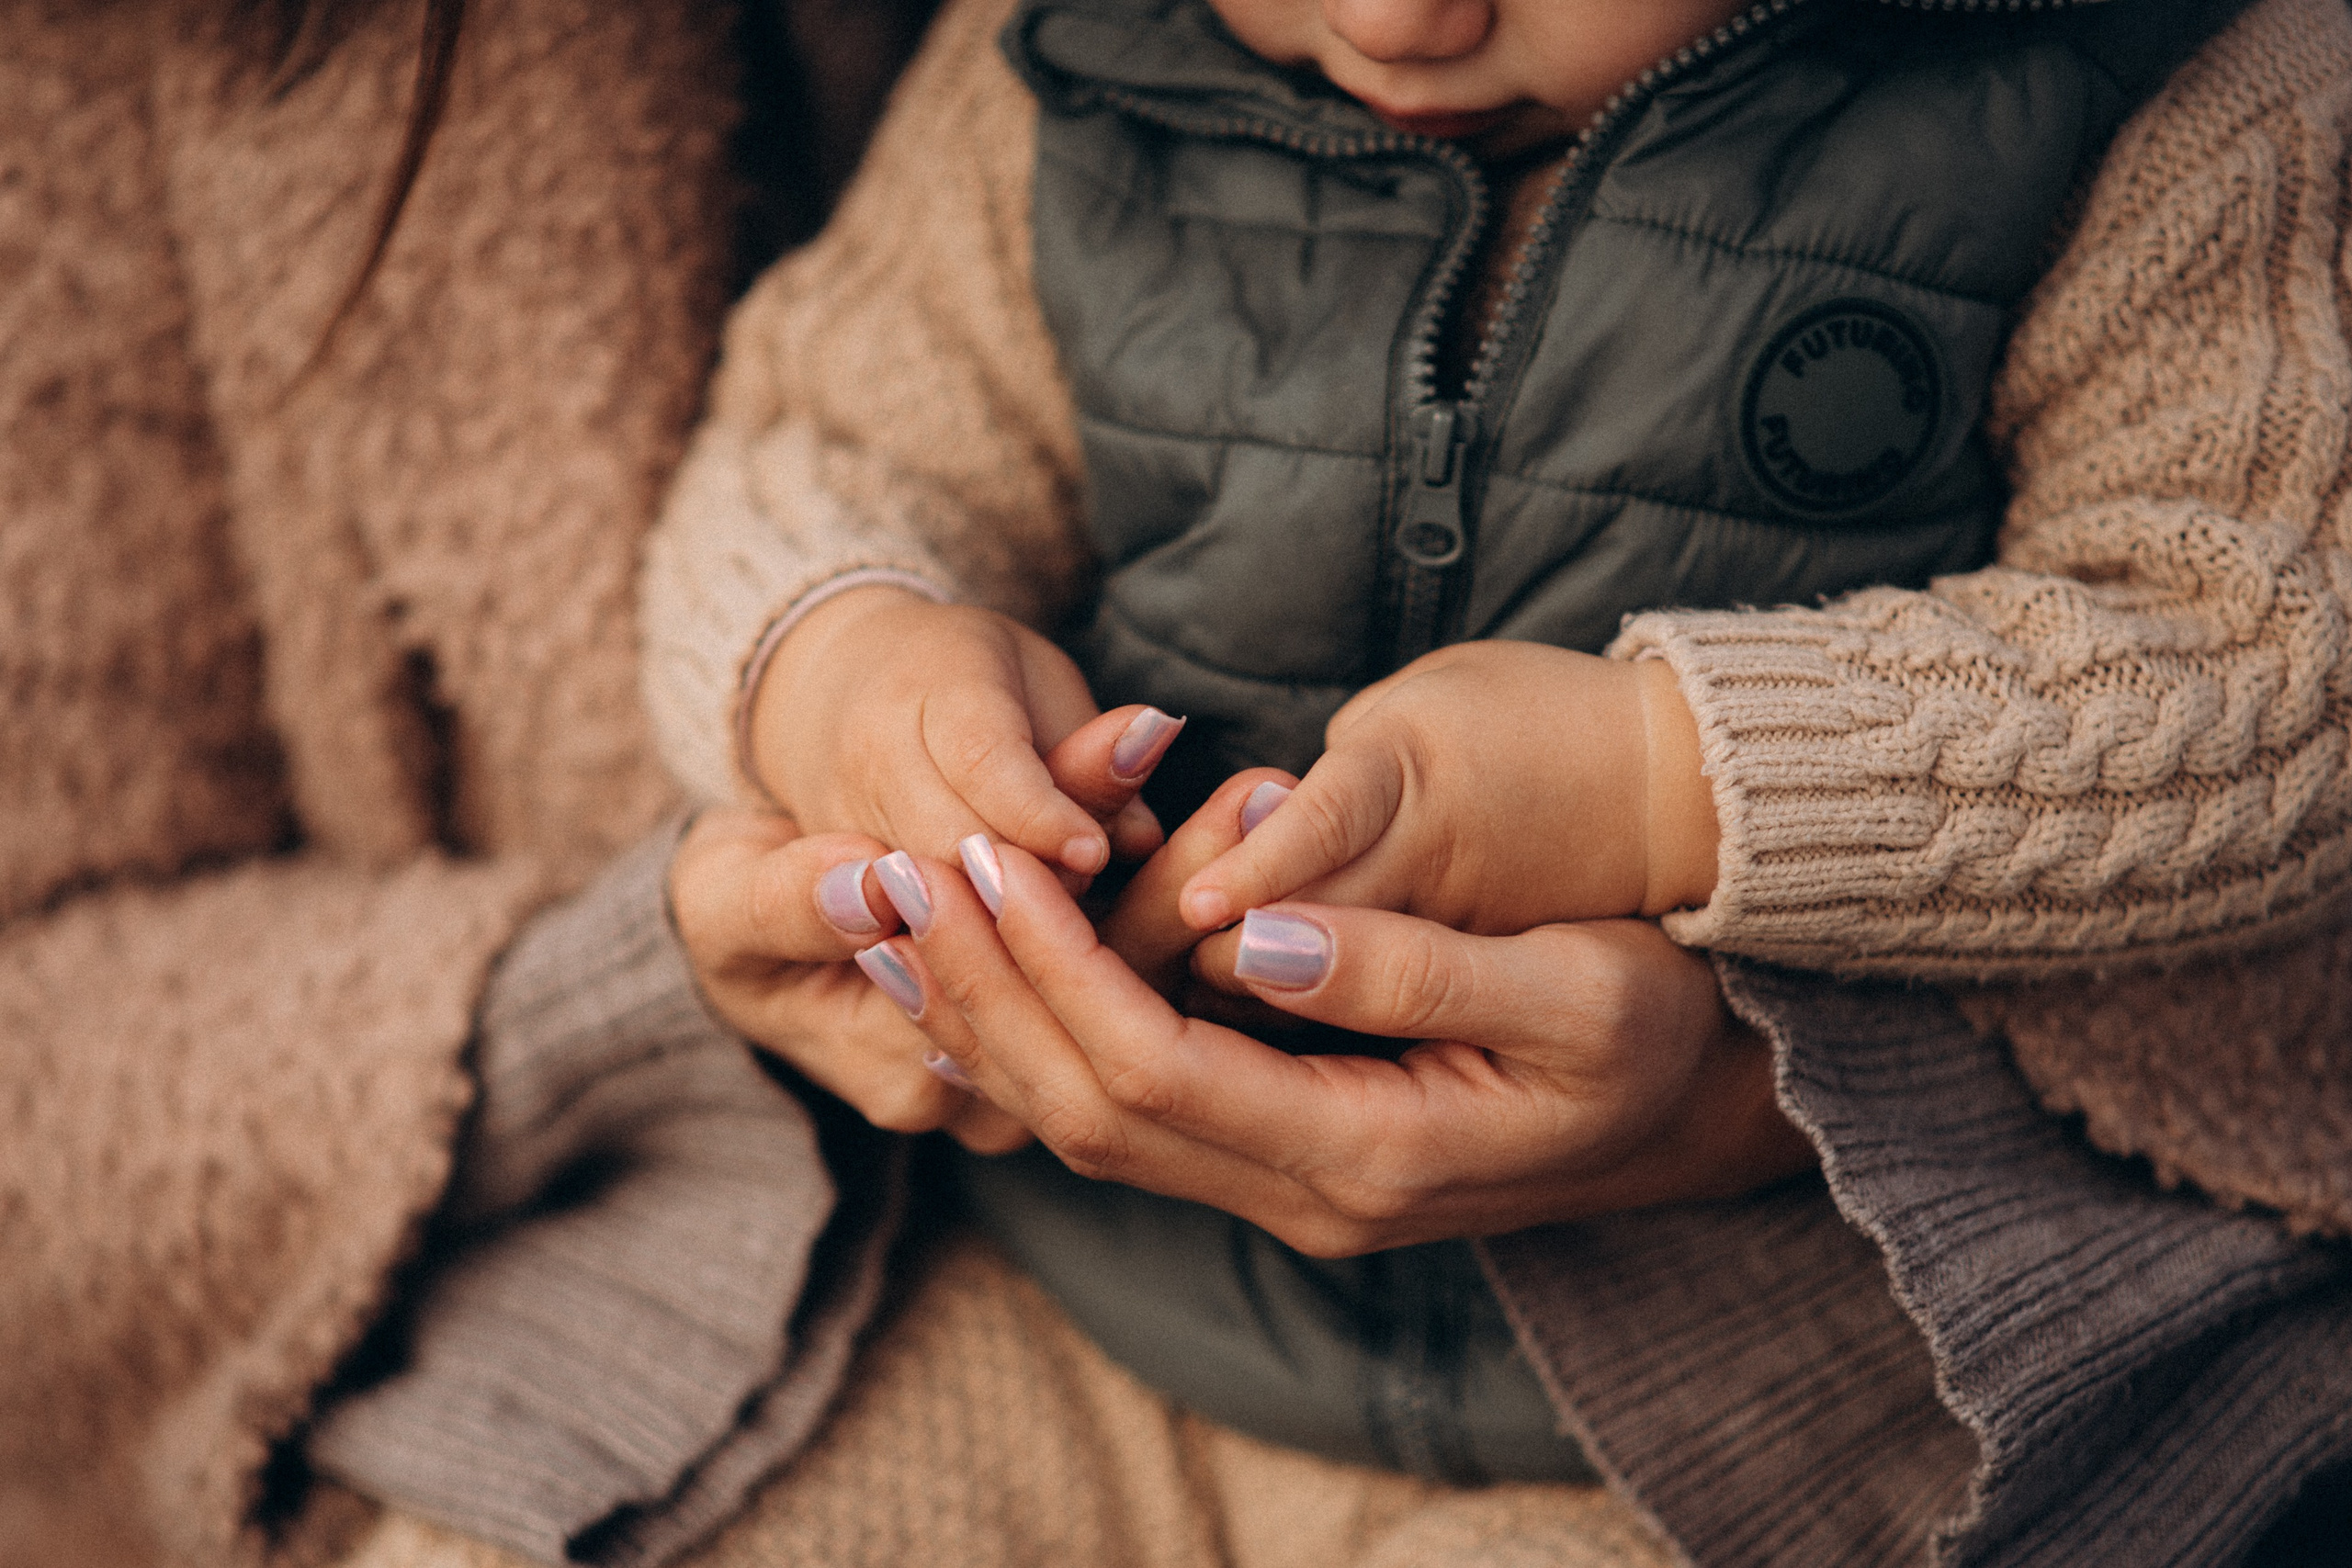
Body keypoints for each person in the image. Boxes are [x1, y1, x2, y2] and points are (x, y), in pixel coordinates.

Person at [624, 0, 2352, 1561]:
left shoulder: (2148, 102)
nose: (1394, 14)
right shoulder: (1061, 61)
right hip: (1068, 1288)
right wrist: (853, 672)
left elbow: (2267, 652)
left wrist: (1655, 776)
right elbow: (826, 442)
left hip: (1701, 1410)